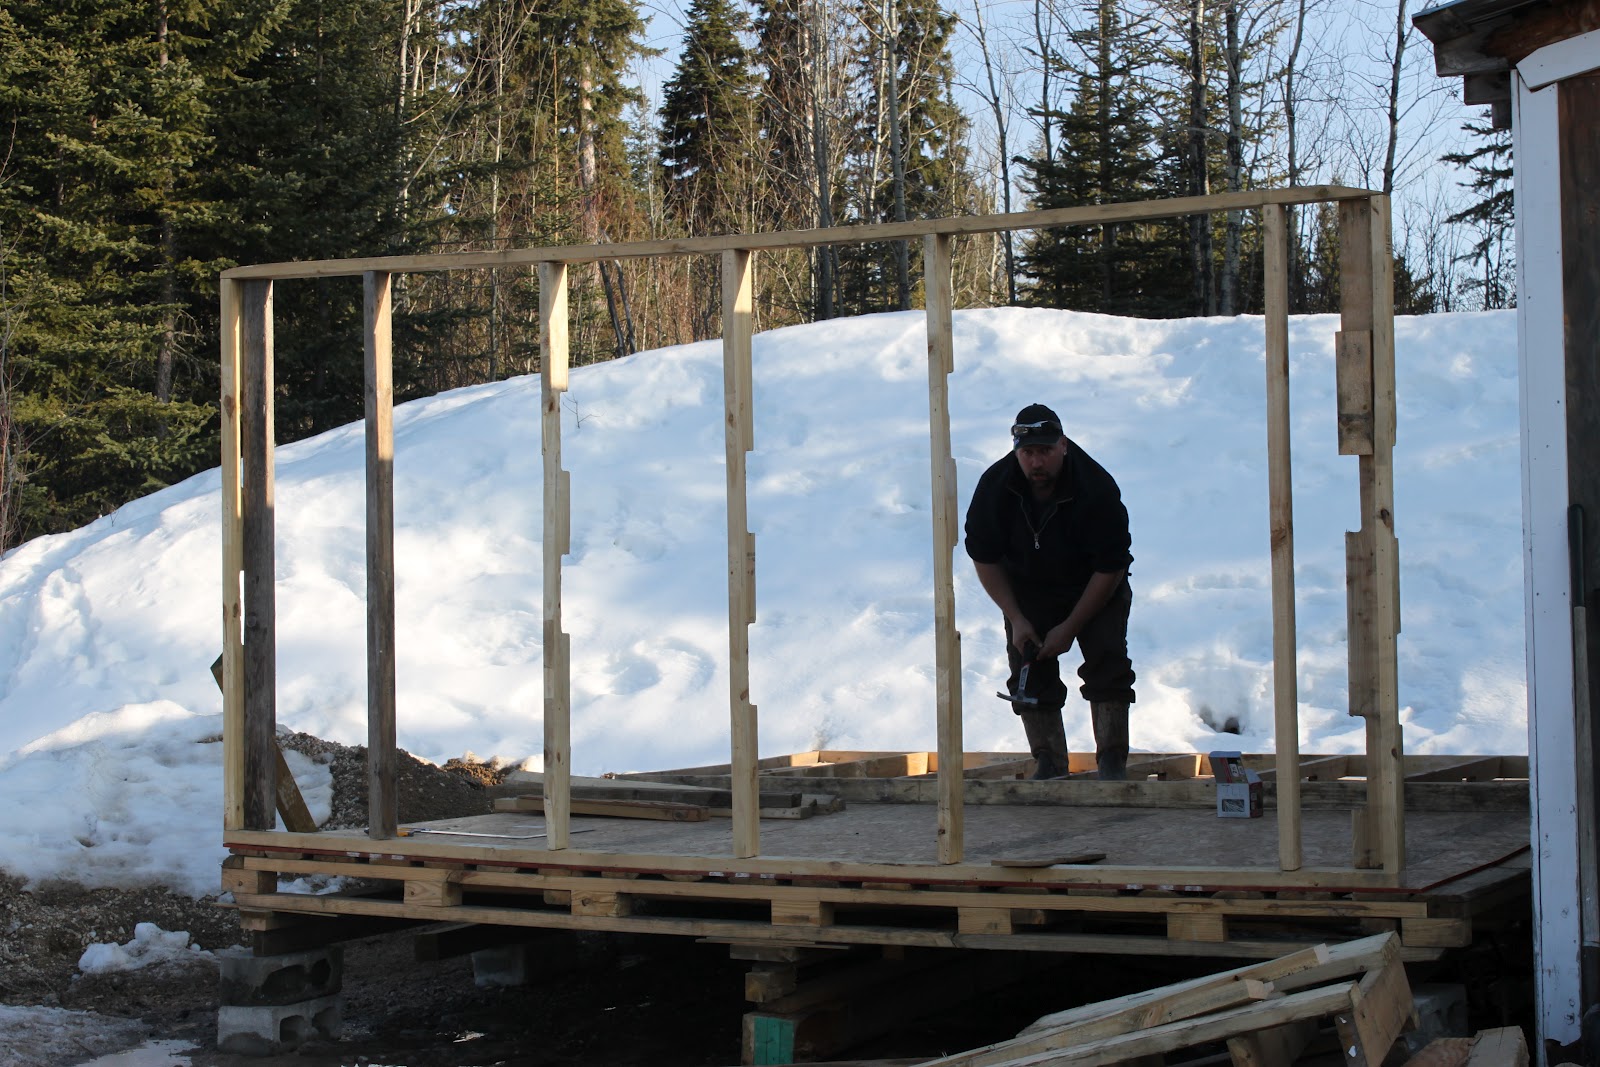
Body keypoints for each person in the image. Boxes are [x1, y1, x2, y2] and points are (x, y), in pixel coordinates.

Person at [963, 403, 1136, 780]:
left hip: (1093, 584)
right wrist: (1016, 617)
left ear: (1063, 445)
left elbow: (1111, 565)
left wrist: (1071, 626)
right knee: (1028, 667)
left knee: (1107, 663)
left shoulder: (1096, 487)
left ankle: (1111, 761)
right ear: (1016, 451)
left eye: (1045, 451)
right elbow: (983, 555)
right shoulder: (996, 487)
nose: (1036, 461)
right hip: (1028, 587)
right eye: (1027, 453)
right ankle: (1048, 760)